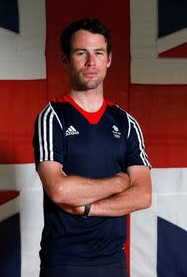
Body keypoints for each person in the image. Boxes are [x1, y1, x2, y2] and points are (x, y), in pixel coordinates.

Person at [33, 18, 152, 277]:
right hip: (64, 262)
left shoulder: (125, 122)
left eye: (98, 53)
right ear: (65, 59)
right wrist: (119, 183)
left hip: (113, 262)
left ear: (109, 59)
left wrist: (88, 208)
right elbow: (59, 190)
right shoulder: (53, 117)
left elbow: (143, 195)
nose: (90, 62)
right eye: (81, 53)